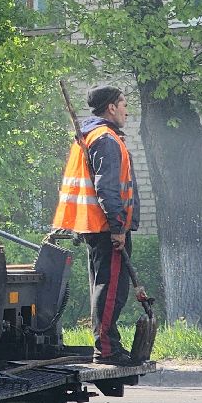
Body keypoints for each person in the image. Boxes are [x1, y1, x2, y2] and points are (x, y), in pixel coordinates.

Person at [53, 85, 141, 365]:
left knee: (106, 287)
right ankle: (106, 349)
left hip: (97, 226)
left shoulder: (92, 136)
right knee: (111, 290)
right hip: (107, 228)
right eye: (124, 104)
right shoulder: (105, 139)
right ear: (111, 107)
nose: (127, 110)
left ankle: (107, 344)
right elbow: (107, 188)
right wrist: (118, 227)